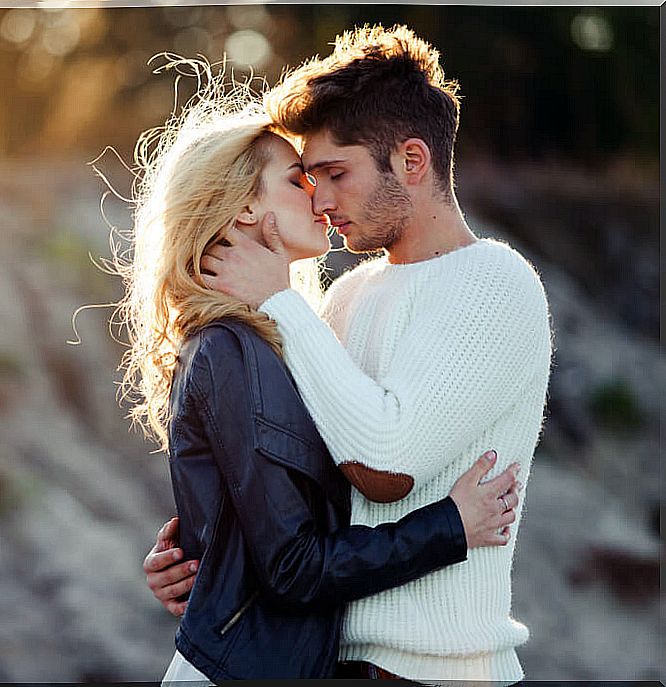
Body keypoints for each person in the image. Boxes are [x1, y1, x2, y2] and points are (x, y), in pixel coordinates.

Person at [147, 26, 552, 685]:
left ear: (412, 162)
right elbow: (299, 495)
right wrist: (206, 561)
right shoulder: (344, 299)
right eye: (307, 177)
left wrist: (280, 302)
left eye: (335, 173)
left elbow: (384, 462)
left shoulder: (494, 283)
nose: (322, 199)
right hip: (328, 662)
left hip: (441, 672)